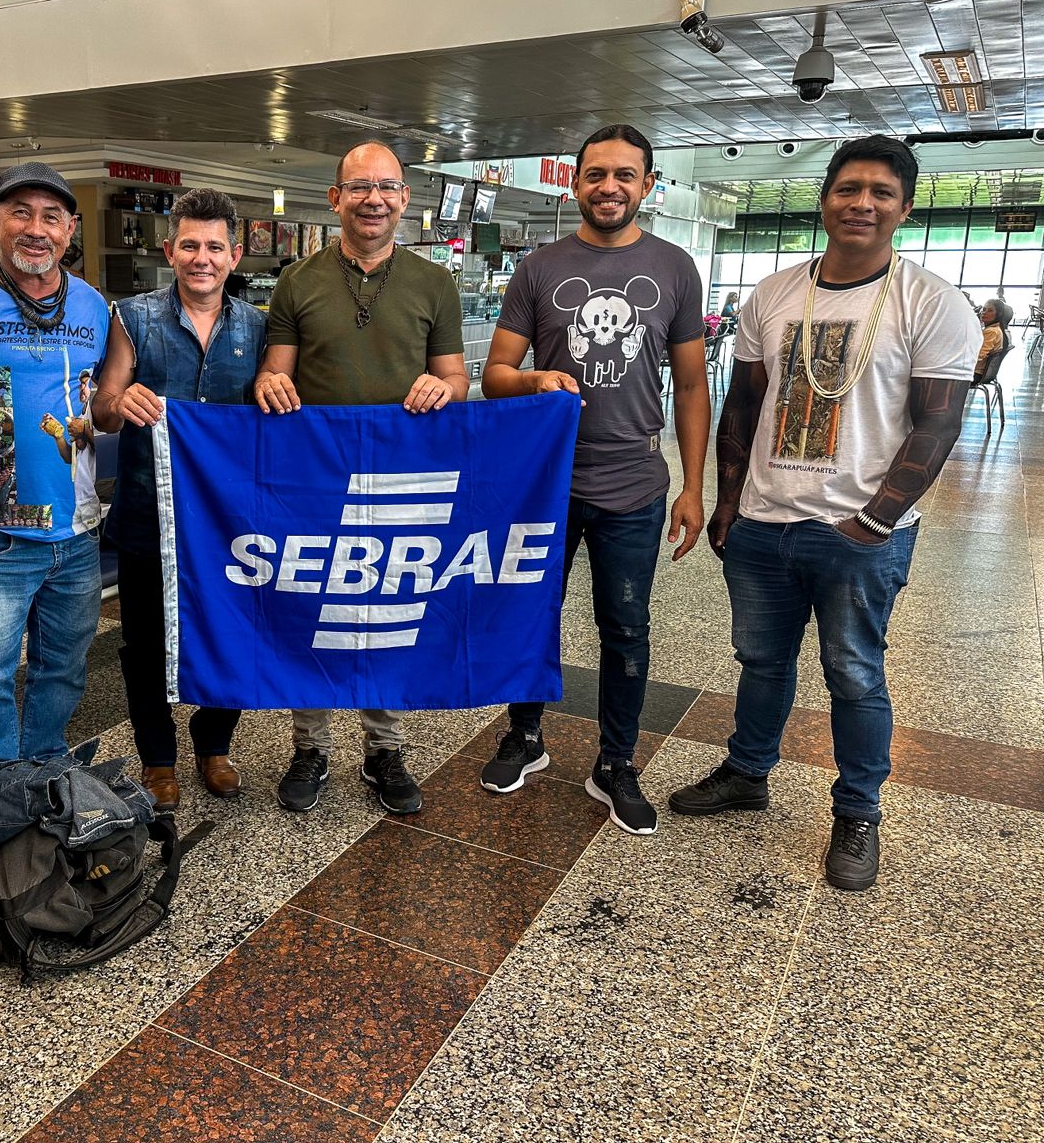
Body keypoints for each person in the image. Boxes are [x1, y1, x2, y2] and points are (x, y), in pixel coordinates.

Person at [669, 135, 981, 892]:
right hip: (764, 525)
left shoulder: (931, 301)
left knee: (853, 674)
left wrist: (874, 523)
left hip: (860, 536)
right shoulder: (775, 293)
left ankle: (858, 809)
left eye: (880, 192)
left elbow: (937, 423)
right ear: (825, 200)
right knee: (761, 661)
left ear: (904, 209)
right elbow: (743, 404)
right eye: (848, 189)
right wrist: (730, 504)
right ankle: (747, 773)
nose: (862, 203)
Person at [478, 123, 710, 836]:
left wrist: (694, 486)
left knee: (627, 628)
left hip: (635, 483)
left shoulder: (673, 268)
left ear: (648, 185)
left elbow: (694, 388)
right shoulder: (539, 269)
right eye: (596, 174)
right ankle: (525, 736)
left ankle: (617, 762)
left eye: (625, 176)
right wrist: (533, 378)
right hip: (544, 482)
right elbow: (493, 377)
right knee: (527, 614)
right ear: (574, 182)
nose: (609, 187)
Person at [255, 141, 467, 815]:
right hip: (316, 476)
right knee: (319, 608)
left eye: (387, 187)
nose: (374, 199)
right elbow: (275, 372)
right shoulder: (298, 281)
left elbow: (458, 377)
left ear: (405, 199)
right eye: (360, 187)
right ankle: (310, 745)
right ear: (335, 198)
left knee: (387, 610)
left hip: (404, 477)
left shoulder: (435, 282)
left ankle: (385, 747)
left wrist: (444, 387)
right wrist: (269, 383)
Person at [92, 188, 267, 810]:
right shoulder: (132, 317)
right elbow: (103, 409)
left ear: (235, 254)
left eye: (215, 246)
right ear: (169, 249)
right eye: (189, 244)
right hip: (147, 517)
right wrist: (121, 403)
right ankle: (157, 759)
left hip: (231, 523)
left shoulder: (259, 327)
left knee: (235, 633)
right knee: (144, 644)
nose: (202, 258)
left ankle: (214, 743)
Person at [0, 163, 110, 777]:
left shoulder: (96, 307)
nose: (36, 229)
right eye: (20, 212)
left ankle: (44, 768)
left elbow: (104, 397)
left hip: (76, 528)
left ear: (71, 228)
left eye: (52, 217)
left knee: (65, 665)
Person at [974, 297, 1011, 377]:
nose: (984, 313)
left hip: (976, 372)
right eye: (984, 309)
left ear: (999, 314)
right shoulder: (998, 329)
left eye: (990, 311)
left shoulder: (991, 331)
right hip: (983, 372)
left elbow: (980, 355)